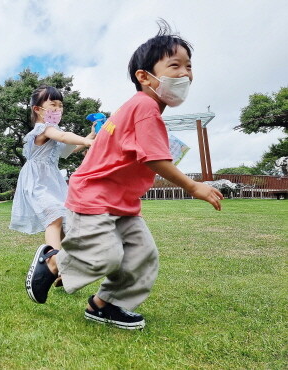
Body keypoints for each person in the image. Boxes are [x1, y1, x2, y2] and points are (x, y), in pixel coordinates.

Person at [26, 21, 224, 330]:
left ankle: (105, 305)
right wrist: (192, 185)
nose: (185, 74)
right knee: (104, 255)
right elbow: (157, 159)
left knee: (142, 255)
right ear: (145, 77)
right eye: (175, 66)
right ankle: (52, 262)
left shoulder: (143, 111)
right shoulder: (144, 105)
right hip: (94, 197)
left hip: (122, 202)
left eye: (189, 67)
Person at [10, 85, 94, 254]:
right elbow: (64, 137)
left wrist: (90, 137)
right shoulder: (43, 129)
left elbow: (67, 149)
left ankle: (66, 260)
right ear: (37, 109)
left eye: (60, 105)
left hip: (51, 180)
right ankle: (53, 261)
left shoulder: (53, 132)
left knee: (63, 219)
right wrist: (87, 142)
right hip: (37, 180)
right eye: (53, 104)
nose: (58, 109)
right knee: (54, 217)